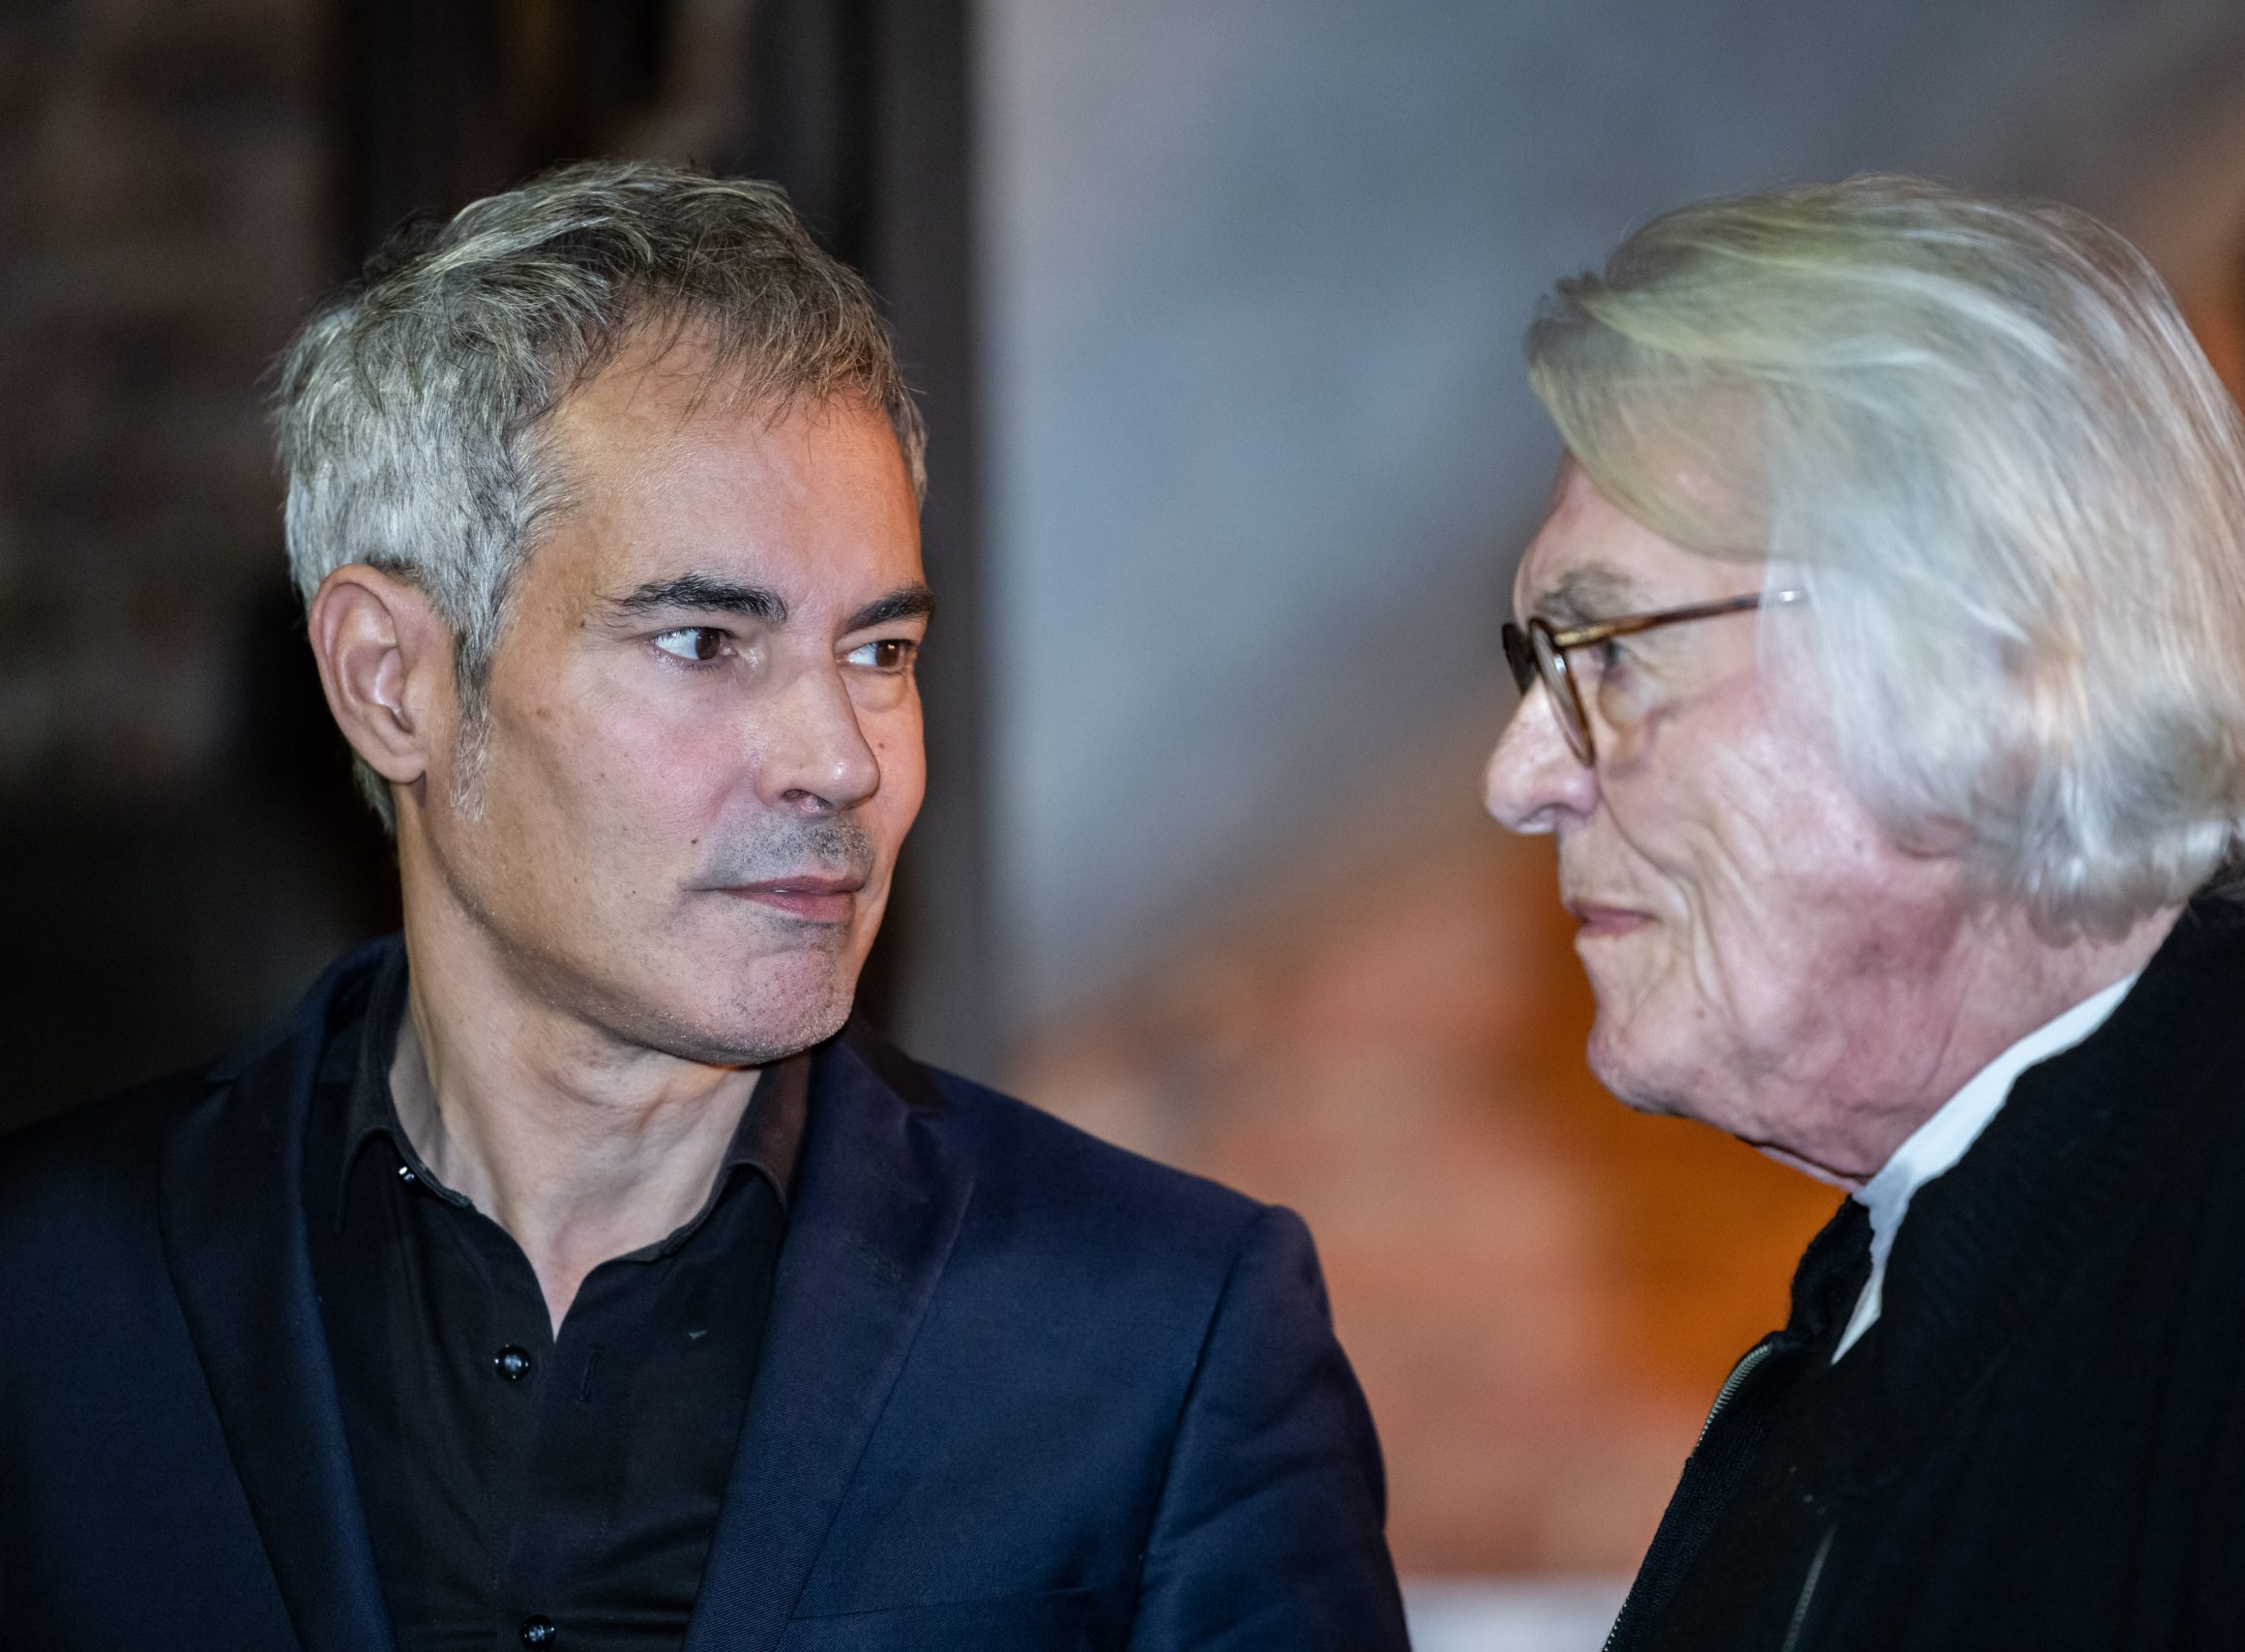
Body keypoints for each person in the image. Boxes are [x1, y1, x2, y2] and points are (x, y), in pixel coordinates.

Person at [0, 162, 1406, 1652]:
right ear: (391, 680)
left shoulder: (1158, 1337)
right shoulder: (50, 1296)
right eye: (703, 642)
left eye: (879, 653)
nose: (842, 760)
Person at [1484, 176, 2245, 1650]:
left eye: (1611, 652)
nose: (1519, 778)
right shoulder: (1928, 1279)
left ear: (2003, 663)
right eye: (1543, 667)